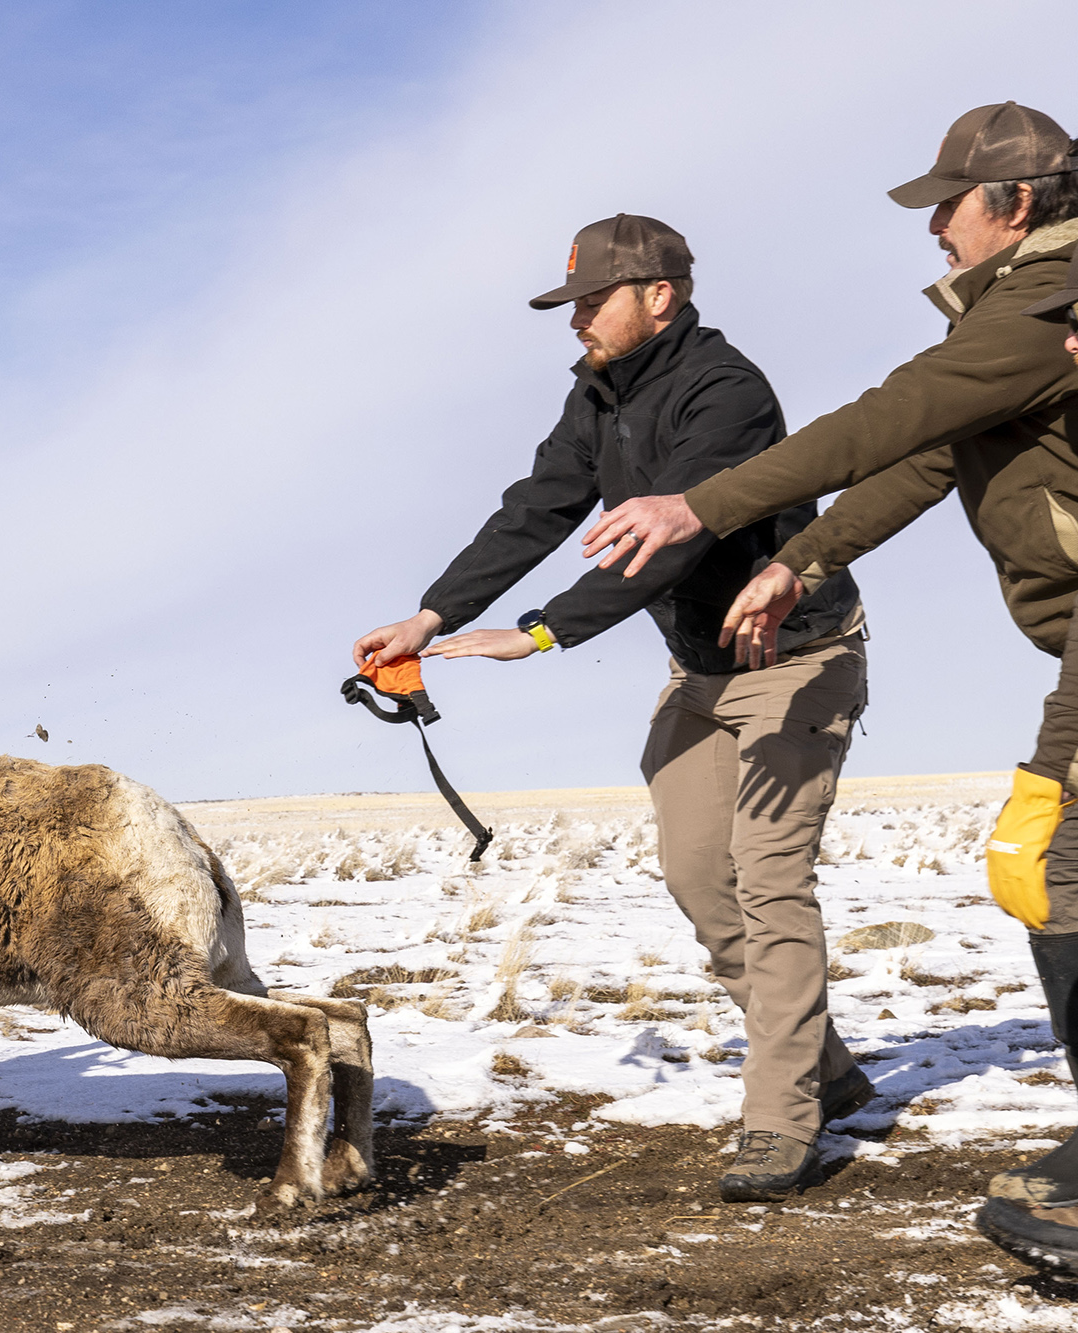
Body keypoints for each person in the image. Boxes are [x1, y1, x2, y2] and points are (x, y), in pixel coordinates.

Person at [573, 102, 1078, 1267]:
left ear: (1010, 203)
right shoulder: (1024, 311)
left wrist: (704, 506)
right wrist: (802, 558)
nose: (934, 231)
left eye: (945, 206)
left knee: (1046, 858)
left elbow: (889, 417)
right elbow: (926, 455)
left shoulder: (1038, 304)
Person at [351, 213, 872, 1203]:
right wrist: (432, 613)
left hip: (795, 662)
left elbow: (667, 544)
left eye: (591, 301)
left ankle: (781, 1119)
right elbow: (537, 504)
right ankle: (824, 1067)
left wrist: (542, 631)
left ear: (658, 296)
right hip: (697, 673)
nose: (574, 320)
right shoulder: (596, 392)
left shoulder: (726, 394)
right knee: (695, 878)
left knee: (766, 881)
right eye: (569, 303)